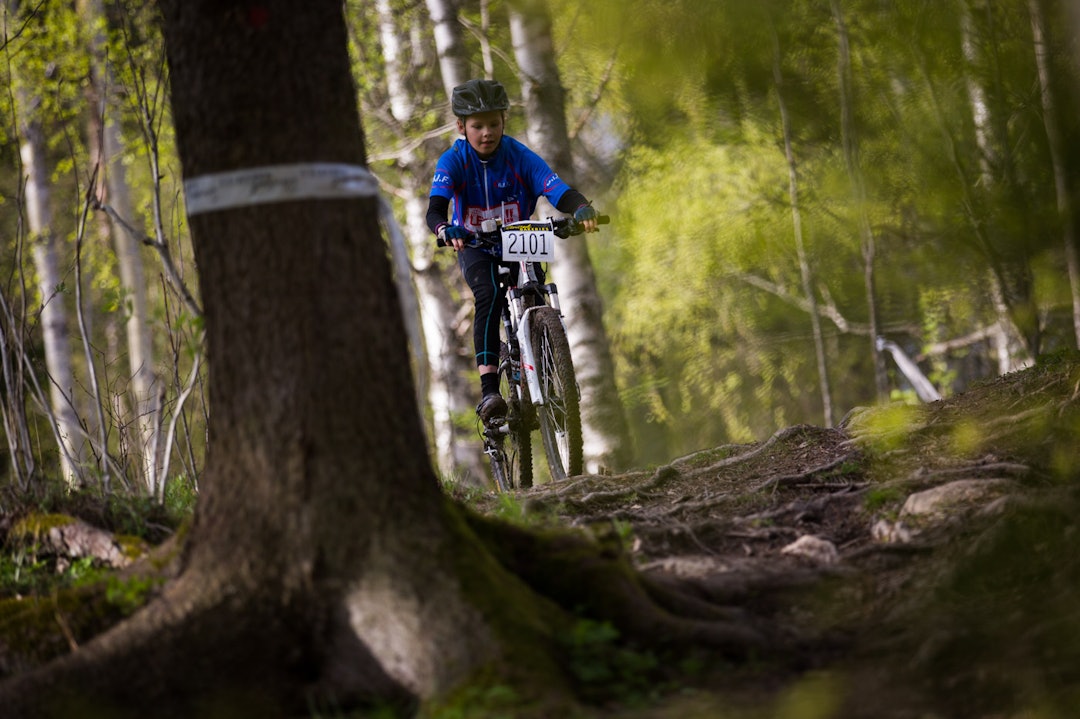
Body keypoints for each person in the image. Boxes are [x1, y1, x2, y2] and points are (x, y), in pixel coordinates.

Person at [427, 78, 599, 423]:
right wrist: (445, 228)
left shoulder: (519, 155)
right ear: (461, 127)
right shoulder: (454, 160)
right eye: (478, 126)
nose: (487, 133)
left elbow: (556, 188)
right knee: (489, 294)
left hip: (518, 238)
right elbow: (435, 209)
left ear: (504, 121)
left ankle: (550, 367)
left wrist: (580, 207)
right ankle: (490, 390)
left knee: (535, 288)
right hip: (474, 243)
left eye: (493, 124)